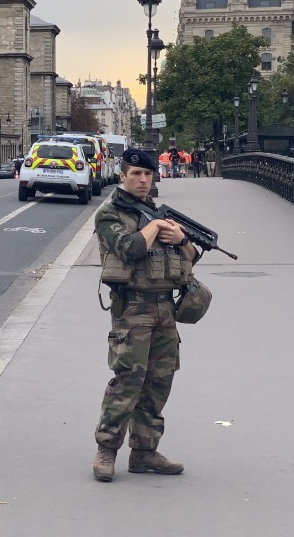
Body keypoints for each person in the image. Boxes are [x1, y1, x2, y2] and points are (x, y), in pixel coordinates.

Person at [91, 148, 199, 482]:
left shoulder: (156, 212)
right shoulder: (110, 214)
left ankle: (145, 452)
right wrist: (154, 227)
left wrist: (181, 239)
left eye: (147, 175)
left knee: (158, 382)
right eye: (135, 174)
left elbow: (191, 258)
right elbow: (130, 249)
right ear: (122, 175)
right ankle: (107, 450)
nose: (142, 180)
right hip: (133, 309)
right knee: (128, 380)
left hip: (165, 307)